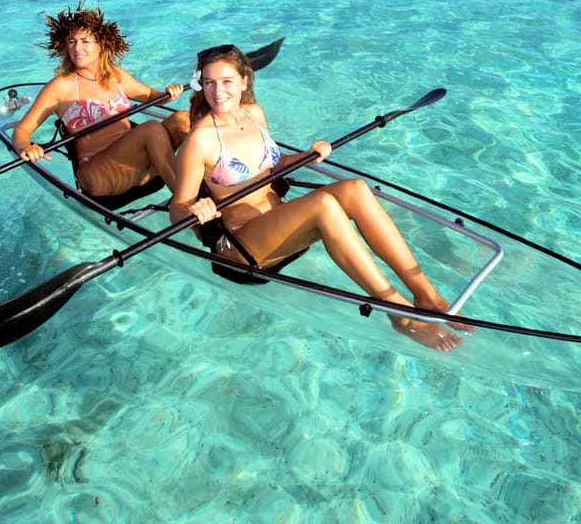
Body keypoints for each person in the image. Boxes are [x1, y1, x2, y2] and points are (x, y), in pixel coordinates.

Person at [169, 45, 469, 352]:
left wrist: (307, 156)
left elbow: (273, 164)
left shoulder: (254, 113)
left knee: (354, 188)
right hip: (241, 250)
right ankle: (398, 312)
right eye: (209, 82)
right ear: (201, 84)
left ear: (244, 81)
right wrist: (197, 210)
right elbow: (176, 209)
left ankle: (425, 293)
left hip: (278, 226)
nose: (218, 91)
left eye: (227, 81)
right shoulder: (200, 140)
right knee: (324, 204)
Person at [12, 1, 190, 197]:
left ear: (101, 45)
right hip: (99, 175)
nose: (77, 48)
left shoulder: (115, 75)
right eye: (72, 41)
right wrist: (26, 147)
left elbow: (149, 96)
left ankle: (215, 188)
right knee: (150, 128)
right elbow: (22, 130)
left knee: (184, 119)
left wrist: (168, 93)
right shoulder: (60, 86)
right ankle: (186, 202)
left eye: (85, 41)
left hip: (133, 166)